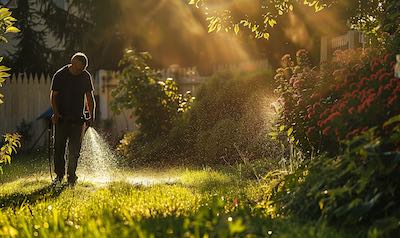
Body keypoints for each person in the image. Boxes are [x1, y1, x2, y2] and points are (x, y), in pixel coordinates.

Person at [50, 52, 96, 186]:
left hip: (78, 119)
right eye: (78, 69)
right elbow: (53, 96)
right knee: (59, 148)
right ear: (72, 62)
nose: (79, 72)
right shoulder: (60, 75)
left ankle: (71, 176)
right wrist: (56, 113)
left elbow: (89, 97)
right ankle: (59, 176)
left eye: (82, 69)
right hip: (62, 119)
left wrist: (91, 116)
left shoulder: (85, 76)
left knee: (75, 150)